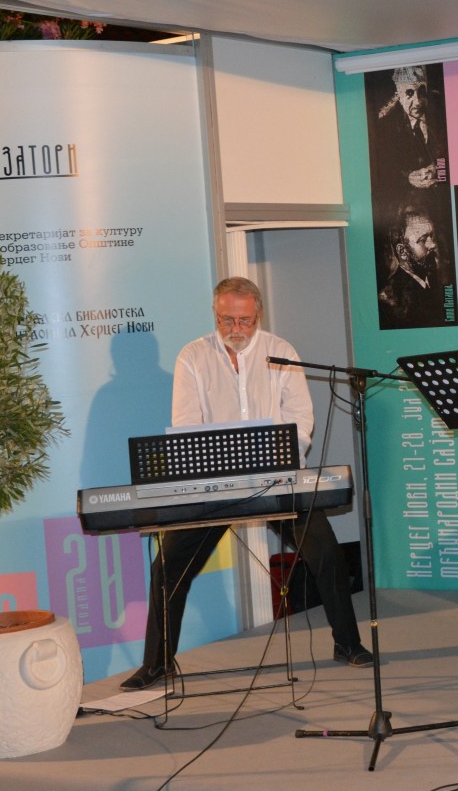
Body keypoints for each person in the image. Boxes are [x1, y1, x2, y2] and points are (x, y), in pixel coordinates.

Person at [122, 277, 369, 690]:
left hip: (277, 479)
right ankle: (158, 663)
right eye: (227, 320)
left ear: (259, 315)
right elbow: (186, 424)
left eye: (245, 321)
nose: (236, 329)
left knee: (326, 552)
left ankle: (347, 643)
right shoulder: (193, 356)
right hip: (214, 486)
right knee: (167, 567)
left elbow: (301, 419)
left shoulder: (282, 352)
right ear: (215, 314)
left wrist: (280, 459)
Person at [374, 64, 444, 189]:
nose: (418, 101)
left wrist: (437, 169)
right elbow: (386, 170)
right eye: (409, 93)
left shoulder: (441, 113)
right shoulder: (387, 127)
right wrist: (408, 178)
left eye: (421, 91)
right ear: (399, 96)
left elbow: (451, 152)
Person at [380, 202, 448, 327]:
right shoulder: (392, 296)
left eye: (431, 237)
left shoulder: (435, 281)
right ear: (402, 251)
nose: (433, 245)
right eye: (422, 240)